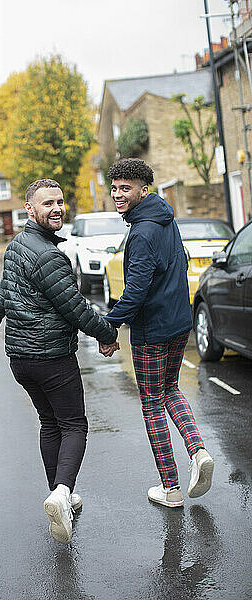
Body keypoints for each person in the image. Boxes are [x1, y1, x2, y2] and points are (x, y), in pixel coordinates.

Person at [0, 179, 118, 542]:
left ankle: (58, 492)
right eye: (47, 203)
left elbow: (1, 297)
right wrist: (107, 335)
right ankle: (63, 492)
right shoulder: (50, 256)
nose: (56, 208)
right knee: (74, 425)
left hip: (21, 359)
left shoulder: (18, 246)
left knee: (50, 423)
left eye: (60, 201)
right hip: (51, 357)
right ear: (30, 210)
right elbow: (75, 307)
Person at [102, 158, 214, 508]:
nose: (119, 195)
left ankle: (171, 489)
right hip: (180, 325)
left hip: (152, 332)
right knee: (170, 390)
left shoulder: (142, 232)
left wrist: (109, 327)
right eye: (115, 188)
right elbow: (180, 261)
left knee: (151, 403)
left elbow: (135, 291)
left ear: (143, 190)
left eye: (126, 188)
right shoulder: (165, 219)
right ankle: (198, 452)